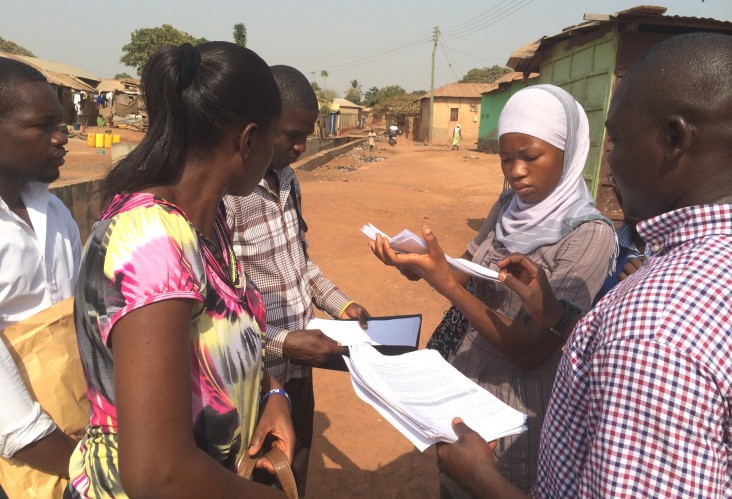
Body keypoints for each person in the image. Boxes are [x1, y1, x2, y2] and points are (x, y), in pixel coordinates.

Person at [435, 32, 732, 497]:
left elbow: (533, 351)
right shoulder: (686, 264)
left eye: (616, 139)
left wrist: (480, 477)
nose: (608, 159)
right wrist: (552, 312)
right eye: (506, 158)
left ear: (673, 138)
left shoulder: (652, 334)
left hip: (510, 425)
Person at [68, 42, 294, 498]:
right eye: (273, 140)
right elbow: (158, 475)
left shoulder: (211, 223)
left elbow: (223, 340)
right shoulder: (152, 241)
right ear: (249, 141)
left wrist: (274, 394)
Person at [371, 84, 616, 493]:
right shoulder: (507, 207)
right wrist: (420, 263)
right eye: (506, 159)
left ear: (569, 152)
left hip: (519, 404)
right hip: (467, 376)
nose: (515, 171)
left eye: (531, 157)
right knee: (454, 482)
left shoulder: (589, 236)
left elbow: (530, 349)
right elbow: (466, 270)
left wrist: (445, 282)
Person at [224, 65, 371, 494]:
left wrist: (342, 305)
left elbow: (300, 264)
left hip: (299, 370)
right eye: (291, 135)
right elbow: (221, 311)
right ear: (259, 128)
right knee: (258, 474)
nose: (301, 146)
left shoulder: (289, 181)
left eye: (307, 134)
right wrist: (281, 341)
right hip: (253, 375)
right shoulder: (231, 197)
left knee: (296, 471)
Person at [0, 57, 81, 481]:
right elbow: (12, 421)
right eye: (43, 126)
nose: (61, 138)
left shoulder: (53, 212)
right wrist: (90, 468)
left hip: (71, 429)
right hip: (23, 455)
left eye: (62, 125)